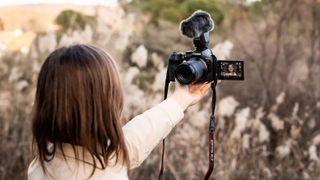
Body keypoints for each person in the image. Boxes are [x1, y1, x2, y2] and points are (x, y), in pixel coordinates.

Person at [28, 44, 213, 180]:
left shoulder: (45, 159)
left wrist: (180, 99)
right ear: (103, 104)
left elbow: (132, 140)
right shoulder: (103, 174)